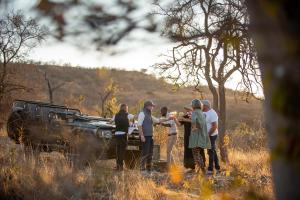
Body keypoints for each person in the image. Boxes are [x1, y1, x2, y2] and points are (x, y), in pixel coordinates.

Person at [137, 100, 171, 174]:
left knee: (150, 153)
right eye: (151, 106)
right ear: (147, 106)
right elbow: (139, 125)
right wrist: (142, 135)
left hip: (150, 136)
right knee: (145, 153)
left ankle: (149, 169)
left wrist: (168, 119)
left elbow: (158, 120)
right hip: (145, 136)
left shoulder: (149, 115)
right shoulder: (142, 113)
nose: (152, 107)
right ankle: (142, 169)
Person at [189, 99, 211, 174]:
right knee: (198, 153)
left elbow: (193, 121)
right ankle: (201, 169)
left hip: (196, 137)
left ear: (194, 105)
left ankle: (201, 170)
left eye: (192, 104)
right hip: (202, 136)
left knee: (195, 153)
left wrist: (194, 127)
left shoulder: (194, 112)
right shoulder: (202, 113)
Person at [113, 104, 134, 171]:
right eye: (127, 108)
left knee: (118, 151)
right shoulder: (128, 115)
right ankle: (121, 167)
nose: (127, 109)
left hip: (117, 134)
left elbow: (111, 121)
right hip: (123, 134)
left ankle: (117, 166)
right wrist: (131, 123)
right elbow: (134, 118)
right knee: (122, 151)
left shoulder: (115, 115)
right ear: (125, 108)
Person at [202, 100, 221, 175]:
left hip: (212, 135)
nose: (201, 107)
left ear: (205, 106)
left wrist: (208, 135)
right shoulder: (204, 112)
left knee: (210, 151)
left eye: (202, 105)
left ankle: (210, 169)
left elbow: (214, 126)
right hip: (206, 134)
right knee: (212, 150)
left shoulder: (212, 113)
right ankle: (217, 167)